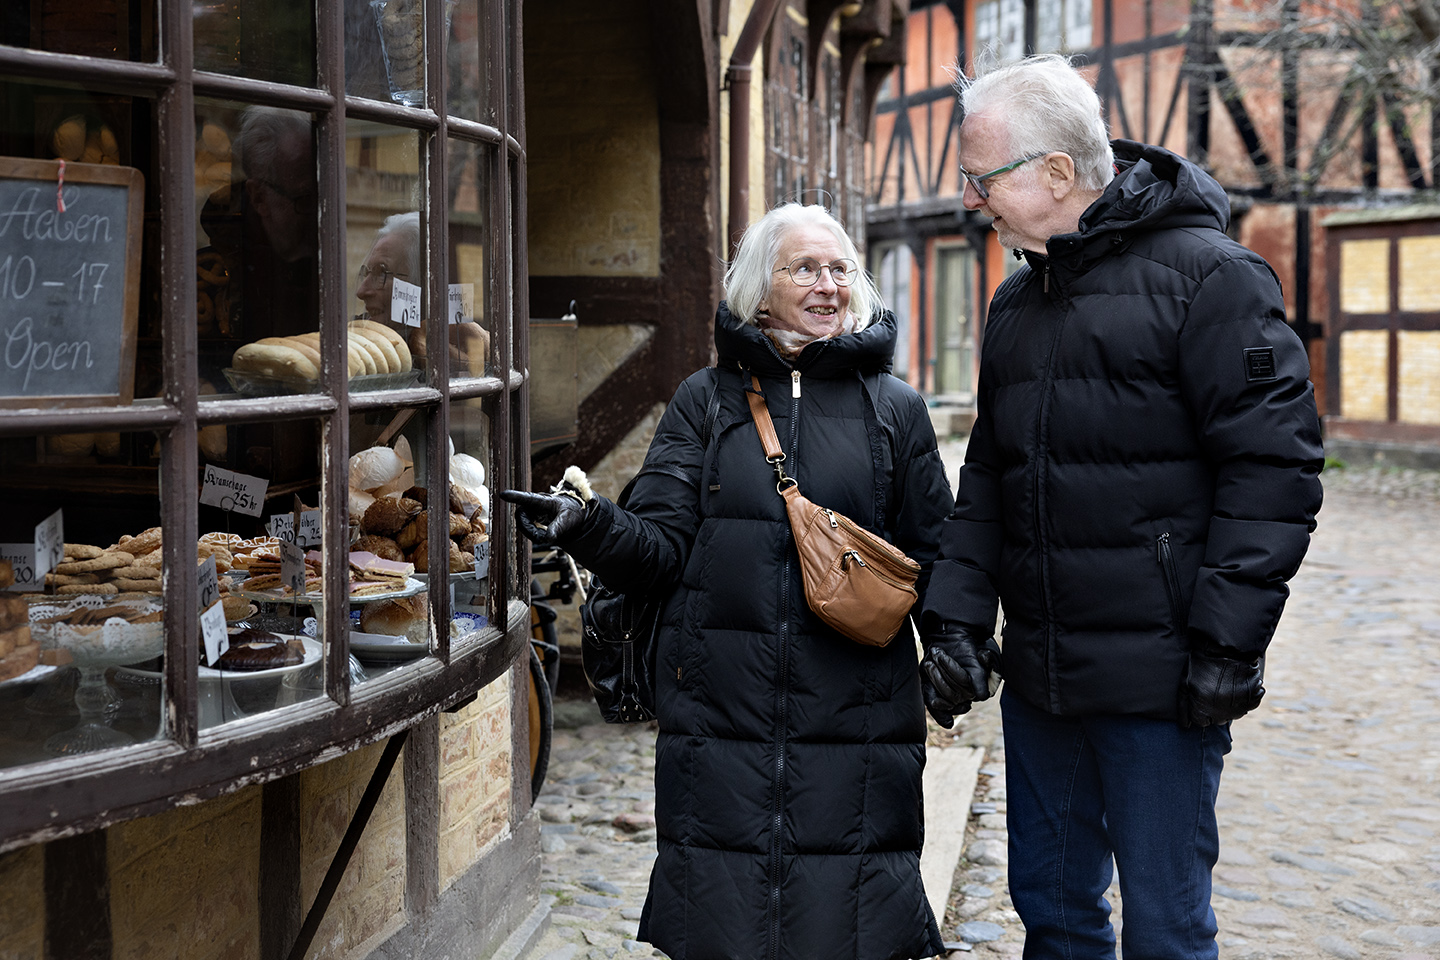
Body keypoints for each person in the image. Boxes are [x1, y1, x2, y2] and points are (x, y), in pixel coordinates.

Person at [918, 55, 1324, 957]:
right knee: (1053, 916)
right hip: (1042, 680)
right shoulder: (1020, 298)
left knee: (1168, 930)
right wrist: (953, 620)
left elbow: (1275, 473)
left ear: (1056, 173)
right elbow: (990, 473)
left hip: (1162, 682)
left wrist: (1227, 640)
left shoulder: (1213, 280)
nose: (971, 199)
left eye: (980, 178)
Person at [501, 204, 953, 960]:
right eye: (804, 268)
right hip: (720, 714)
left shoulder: (896, 411)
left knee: (847, 921)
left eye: (840, 269)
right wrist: (588, 526)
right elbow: (659, 546)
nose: (827, 284)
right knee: (723, 921)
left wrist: (956, 647)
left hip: (860, 716)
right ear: (758, 289)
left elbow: (937, 553)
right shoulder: (705, 402)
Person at [356, 211, 488, 374]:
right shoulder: (356, 346)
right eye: (367, 272)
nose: (361, 291)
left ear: (421, 287)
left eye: (382, 272)